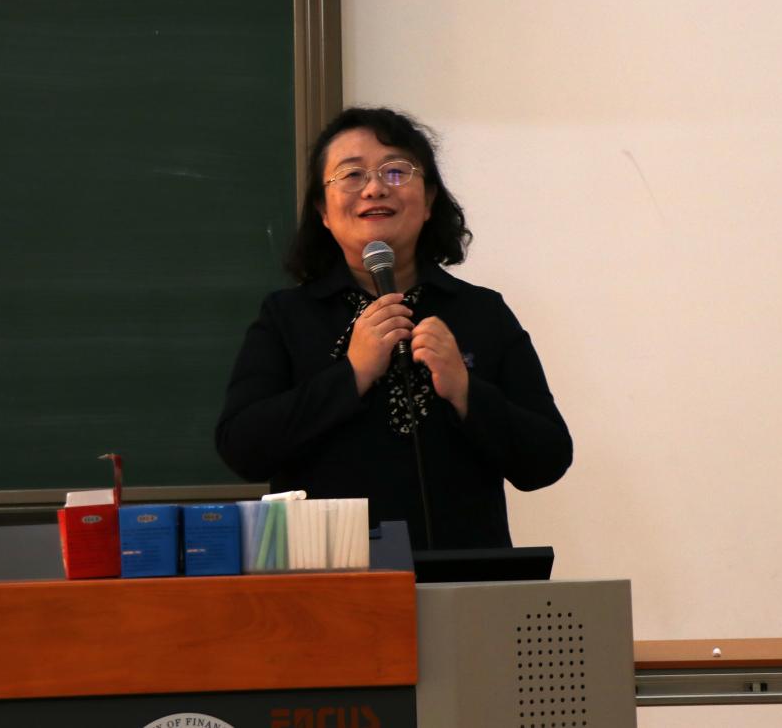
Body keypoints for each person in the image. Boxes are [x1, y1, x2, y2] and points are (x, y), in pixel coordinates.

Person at [215, 107, 571, 549]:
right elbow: (243, 448)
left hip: (466, 577)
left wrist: (465, 390)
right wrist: (352, 374)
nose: (375, 188)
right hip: (331, 577)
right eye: (352, 175)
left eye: (396, 172)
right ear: (323, 211)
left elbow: (547, 459)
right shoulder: (287, 317)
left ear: (430, 201)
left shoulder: (481, 312)